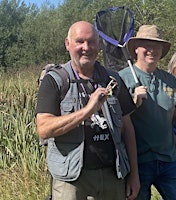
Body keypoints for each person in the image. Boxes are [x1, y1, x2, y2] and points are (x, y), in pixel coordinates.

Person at [35, 21, 140, 200]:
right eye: (80, 42)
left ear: (99, 45)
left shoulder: (113, 79)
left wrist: (134, 175)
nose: (86, 47)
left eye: (91, 42)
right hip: (72, 180)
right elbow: (44, 128)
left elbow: (128, 128)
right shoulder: (55, 80)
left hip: (113, 176)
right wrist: (88, 110)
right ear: (68, 44)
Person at [118, 25, 176, 200]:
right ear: (136, 49)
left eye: (156, 46)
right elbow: (117, 124)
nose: (152, 50)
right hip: (138, 162)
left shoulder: (169, 81)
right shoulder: (122, 78)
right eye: (146, 45)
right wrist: (134, 103)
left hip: (168, 159)